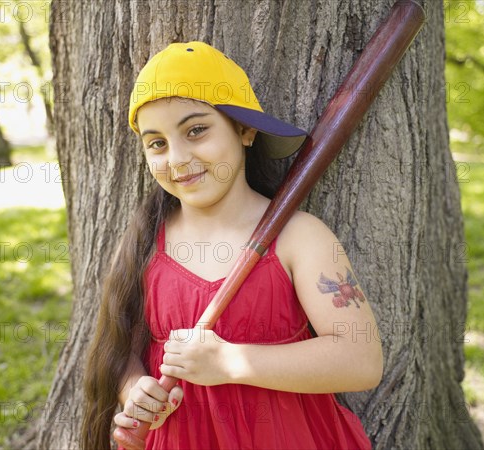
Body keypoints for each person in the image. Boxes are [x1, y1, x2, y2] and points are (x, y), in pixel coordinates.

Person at [81, 41, 383, 450]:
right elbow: (122, 349)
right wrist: (136, 390)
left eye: (196, 130)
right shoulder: (145, 244)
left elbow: (360, 361)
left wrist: (230, 363)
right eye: (157, 143)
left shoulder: (298, 237)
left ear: (245, 129)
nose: (178, 158)